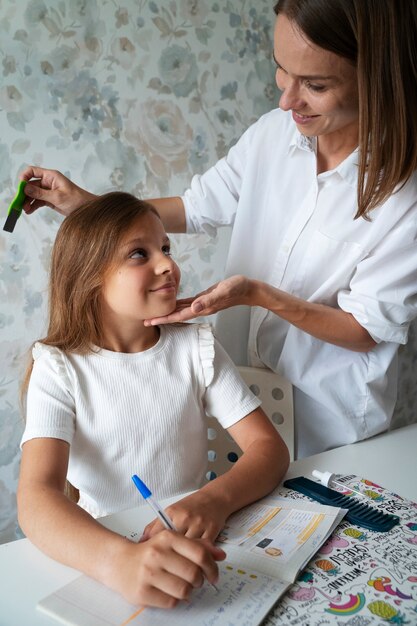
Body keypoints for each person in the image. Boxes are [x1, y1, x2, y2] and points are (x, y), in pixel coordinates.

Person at [20, 0, 417, 458]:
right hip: (245, 398)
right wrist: (87, 208)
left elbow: (366, 329)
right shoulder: (273, 133)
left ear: (377, 80)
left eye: (316, 85)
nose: (286, 99)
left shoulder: (404, 196)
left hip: (329, 423)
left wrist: (257, 294)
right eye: (281, 70)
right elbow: (196, 206)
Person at [17, 192, 290, 609]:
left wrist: (213, 499)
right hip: (103, 553)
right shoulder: (57, 368)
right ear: (90, 277)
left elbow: (269, 448)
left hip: (199, 536)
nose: (167, 264)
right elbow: (37, 499)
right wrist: (120, 563)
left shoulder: (196, 345)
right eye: (139, 254)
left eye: (165, 247)